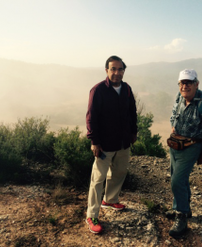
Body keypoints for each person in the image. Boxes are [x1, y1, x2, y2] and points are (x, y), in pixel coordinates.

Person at [85, 55, 138, 234]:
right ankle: (92, 215)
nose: (116, 72)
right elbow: (91, 118)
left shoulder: (127, 89)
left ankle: (109, 200)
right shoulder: (98, 90)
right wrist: (95, 141)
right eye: (112, 69)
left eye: (120, 69)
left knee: (120, 171)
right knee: (98, 179)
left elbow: (132, 112)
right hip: (105, 143)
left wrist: (133, 132)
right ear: (106, 70)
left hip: (123, 141)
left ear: (124, 70)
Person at [167, 69, 202, 237]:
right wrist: (173, 123)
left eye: (189, 82)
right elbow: (174, 113)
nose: (185, 86)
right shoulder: (179, 96)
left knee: (177, 180)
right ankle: (183, 209)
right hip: (176, 143)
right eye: (182, 83)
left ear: (197, 84)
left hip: (193, 145)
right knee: (178, 178)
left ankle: (181, 216)